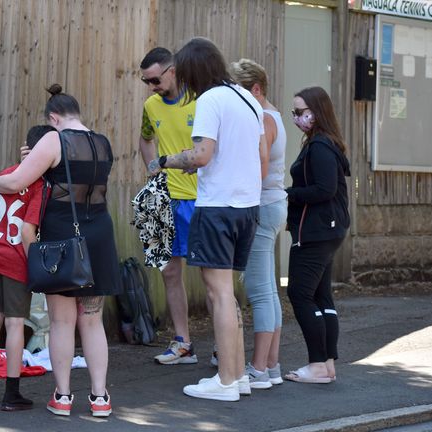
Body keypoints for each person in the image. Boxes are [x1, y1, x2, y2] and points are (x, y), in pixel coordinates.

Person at [0, 84, 121, 417]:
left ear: (53, 118)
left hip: (62, 236)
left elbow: (16, 182)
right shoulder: (102, 142)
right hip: (99, 234)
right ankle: (100, 398)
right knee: (91, 320)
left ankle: (62, 396)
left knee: (62, 322)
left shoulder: (54, 139)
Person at [148, 38, 264, 402]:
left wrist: (165, 160)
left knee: (220, 295)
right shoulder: (246, 98)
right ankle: (239, 375)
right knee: (228, 294)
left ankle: (227, 380)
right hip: (248, 207)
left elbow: (201, 156)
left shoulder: (210, 100)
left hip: (217, 208)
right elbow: (261, 153)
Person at [0, 125, 53, 411]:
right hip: (16, 258)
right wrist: (36, 265)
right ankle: (12, 392)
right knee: (15, 322)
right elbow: (26, 231)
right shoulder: (39, 184)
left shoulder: (6, 174)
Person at [283, 86, 350, 384]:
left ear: (316, 112)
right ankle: (327, 365)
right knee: (321, 295)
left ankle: (318, 364)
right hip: (328, 229)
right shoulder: (324, 142)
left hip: (317, 230)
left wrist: (289, 194)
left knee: (299, 293)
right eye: (294, 112)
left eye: (300, 112)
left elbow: (325, 188)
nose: (296, 117)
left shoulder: (320, 146)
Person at [138, 47, 201, 365]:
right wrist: (153, 171)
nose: (151, 87)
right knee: (170, 272)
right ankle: (183, 343)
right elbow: (145, 139)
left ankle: (224, 348)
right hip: (168, 200)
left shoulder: (201, 99)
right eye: (146, 82)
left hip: (203, 200)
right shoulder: (151, 105)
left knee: (211, 276)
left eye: (154, 80)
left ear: (173, 70)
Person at [231, 58, 288, 389]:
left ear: (256, 89)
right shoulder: (275, 115)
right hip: (274, 205)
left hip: (262, 206)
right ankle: (271, 365)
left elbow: (260, 168)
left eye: (241, 90)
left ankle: (259, 369)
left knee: (260, 291)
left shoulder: (263, 118)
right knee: (268, 290)